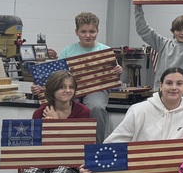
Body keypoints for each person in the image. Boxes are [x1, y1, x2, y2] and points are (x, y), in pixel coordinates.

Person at [15, 70, 92, 173]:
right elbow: (36, 146)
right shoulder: (40, 112)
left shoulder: (82, 112)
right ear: (52, 90)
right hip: (44, 160)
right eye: (62, 87)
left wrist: (57, 123)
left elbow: (79, 145)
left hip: (70, 162)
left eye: (71, 87)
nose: (67, 90)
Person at [40, 12, 123, 146]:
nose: (88, 35)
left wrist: (117, 72)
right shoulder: (68, 51)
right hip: (71, 89)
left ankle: (95, 149)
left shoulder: (106, 51)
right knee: (66, 106)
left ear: (97, 31)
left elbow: (112, 76)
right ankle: (67, 147)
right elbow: (55, 76)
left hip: (97, 90)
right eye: (83, 31)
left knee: (96, 107)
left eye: (92, 31)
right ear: (76, 32)